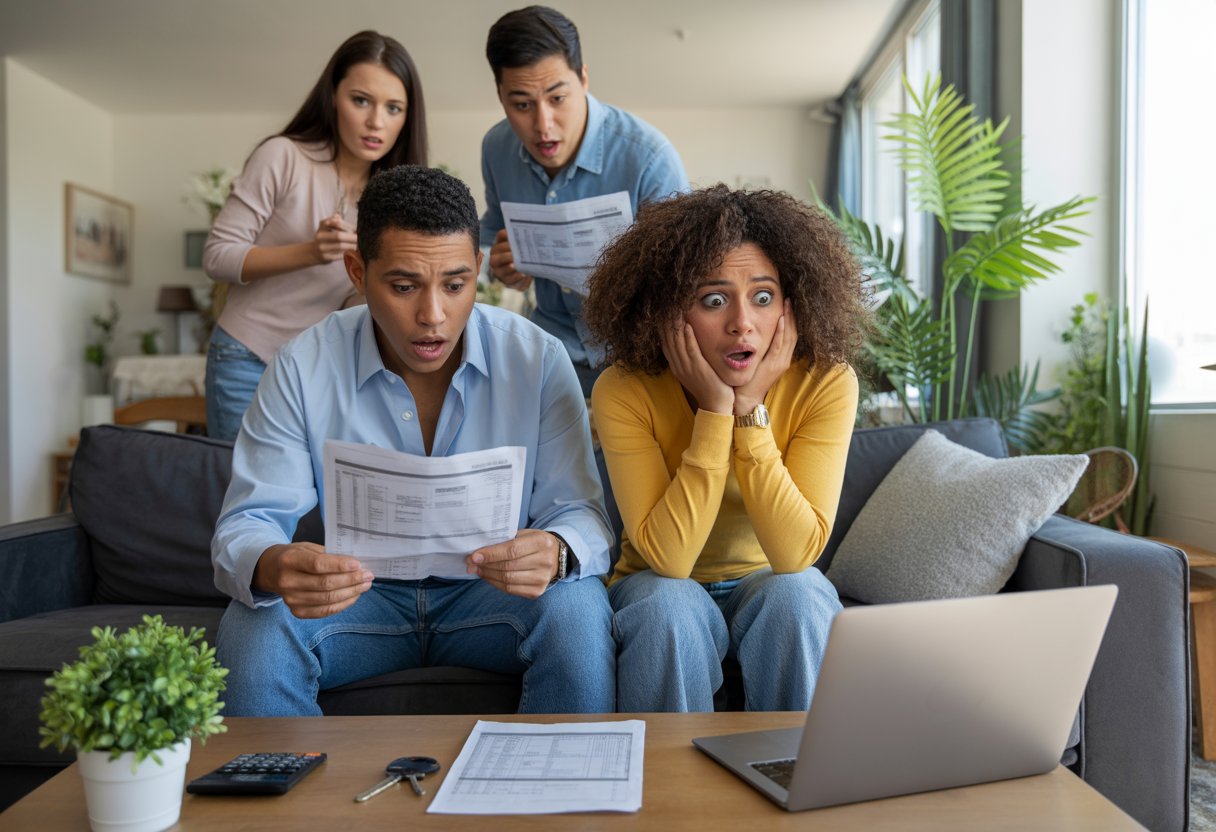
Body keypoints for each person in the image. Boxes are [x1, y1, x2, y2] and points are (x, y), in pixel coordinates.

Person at [211, 165, 615, 716]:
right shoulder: (303, 364)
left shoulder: (539, 358)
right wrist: (272, 563)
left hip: (491, 599)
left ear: (478, 269)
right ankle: (284, 798)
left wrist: (557, 550)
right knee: (252, 626)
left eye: (455, 285)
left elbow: (582, 512)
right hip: (357, 599)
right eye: (403, 287)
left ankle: (555, 798)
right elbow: (247, 521)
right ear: (357, 271)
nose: (432, 316)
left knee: (579, 609)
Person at [582, 185, 866, 712]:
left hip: (767, 580)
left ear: (791, 304)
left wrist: (750, 410)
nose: (742, 322)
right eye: (714, 301)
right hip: (656, 585)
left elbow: (796, 555)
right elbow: (668, 560)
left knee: (800, 597)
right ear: (667, 313)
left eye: (763, 297)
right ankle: (673, 791)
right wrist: (715, 414)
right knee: (668, 605)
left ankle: (797, 778)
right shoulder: (624, 389)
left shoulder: (826, 381)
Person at [203, 30, 428, 441]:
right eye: (361, 100)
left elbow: (353, 300)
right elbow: (217, 257)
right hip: (247, 358)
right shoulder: (283, 156)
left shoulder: (396, 197)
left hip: (322, 370)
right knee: (244, 499)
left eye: (393, 108)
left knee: (320, 501)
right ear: (333, 96)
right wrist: (311, 251)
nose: (376, 121)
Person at [479, 5, 688, 398]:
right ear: (501, 96)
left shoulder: (649, 158)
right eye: (521, 105)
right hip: (549, 349)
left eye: (558, 98)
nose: (543, 125)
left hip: (639, 359)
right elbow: (489, 233)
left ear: (584, 79)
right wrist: (498, 262)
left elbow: (687, 282)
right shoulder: (496, 148)